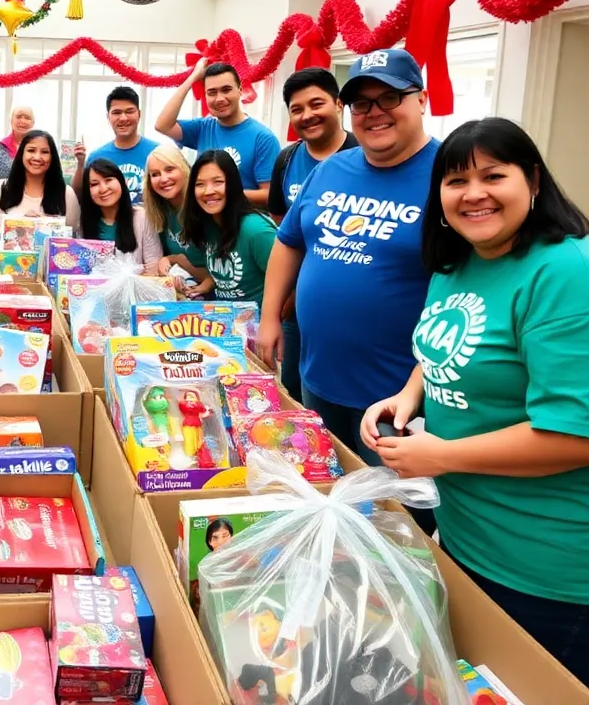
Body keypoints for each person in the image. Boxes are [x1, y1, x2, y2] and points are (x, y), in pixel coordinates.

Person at [360, 117, 589, 687]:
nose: (473, 193)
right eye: (455, 181)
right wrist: (406, 394)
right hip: (478, 536)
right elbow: (444, 345)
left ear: (534, 181)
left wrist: (441, 456)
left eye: (492, 175)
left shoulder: (575, 277)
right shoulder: (464, 260)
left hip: (560, 563)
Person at [259, 49, 439, 464]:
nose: (375, 112)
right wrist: (270, 316)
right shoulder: (331, 169)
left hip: (398, 398)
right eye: (362, 102)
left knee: (395, 517)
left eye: (390, 97)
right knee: (329, 493)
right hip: (317, 379)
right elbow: (289, 242)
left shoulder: (449, 175)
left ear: (422, 100)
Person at [268, 68, 360, 403]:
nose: (307, 115)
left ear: (338, 104)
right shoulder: (287, 159)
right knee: (294, 390)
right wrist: (281, 302)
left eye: (316, 103)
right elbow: (283, 227)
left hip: (347, 309)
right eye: (297, 109)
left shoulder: (365, 154)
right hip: (296, 302)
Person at [155, 59, 281, 209]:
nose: (220, 99)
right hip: (206, 224)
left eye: (226, 90)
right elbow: (162, 125)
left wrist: (222, 193)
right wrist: (193, 77)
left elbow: (269, 195)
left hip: (243, 225)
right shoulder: (203, 128)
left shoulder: (263, 138)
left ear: (240, 90)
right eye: (212, 92)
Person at [181, 151, 277, 307]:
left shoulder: (256, 230)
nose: (208, 191)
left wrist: (268, 324)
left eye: (217, 182)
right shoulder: (207, 224)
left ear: (232, 184)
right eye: (200, 184)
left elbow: (291, 288)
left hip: (259, 324)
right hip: (224, 321)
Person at [142, 145, 213, 297]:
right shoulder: (160, 212)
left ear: (183, 168)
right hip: (185, 297)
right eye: (155, 174)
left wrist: (178, 261)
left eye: (169, 169)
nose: (163, 179)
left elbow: (218, 276)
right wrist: (168, 261)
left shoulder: (204, 207)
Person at [78, 158, 161, 273]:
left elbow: (154, 268)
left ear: (122, 182)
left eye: (108, 180)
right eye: (94, 184)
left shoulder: (142, 218)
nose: (103, 189)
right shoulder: (82, 224)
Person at [77, 86, 158, 204]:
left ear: (139, 114)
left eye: (129, 111)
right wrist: (80, 164)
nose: (123, 118)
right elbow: (81, 195)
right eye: (116, 112)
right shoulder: (96, 157)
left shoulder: (157, 152)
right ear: (108, 117)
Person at [0, 129, 80, 233]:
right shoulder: (0, 189)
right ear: (21, 154)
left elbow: (72, 239)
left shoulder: (66, 194)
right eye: (31, 150)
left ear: (52, 157)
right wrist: (22, 225)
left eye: (45, 152)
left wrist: (46, 226)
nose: (37, 157)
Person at [0, 106, 35, 183]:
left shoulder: (40, 149)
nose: (22, 121)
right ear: (11, 121)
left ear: (33, 123)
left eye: (27, 118)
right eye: (18, 117)